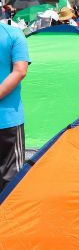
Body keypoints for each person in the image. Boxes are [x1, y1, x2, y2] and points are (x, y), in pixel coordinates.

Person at [0, 21, 30, 191]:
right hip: (8, 118)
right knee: (11, 177)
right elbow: (20, 71)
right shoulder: (14, 34)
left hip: (8, 119)